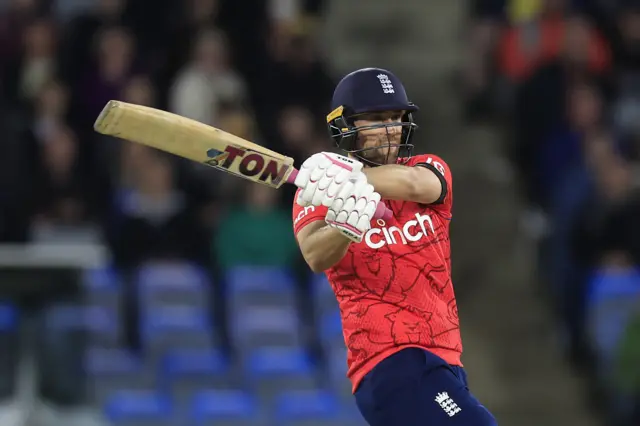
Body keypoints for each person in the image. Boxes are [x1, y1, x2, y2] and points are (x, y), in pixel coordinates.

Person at [291, 67, 497, 426]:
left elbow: (419, 185)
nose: (391, 128)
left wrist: (345, 178)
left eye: (396, 117)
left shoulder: (427, 167)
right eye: (376, 119)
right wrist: (345, 225)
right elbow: (315, 254)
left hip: (444, 361)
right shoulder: (318, 195)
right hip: (389, 362)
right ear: (346, 126)